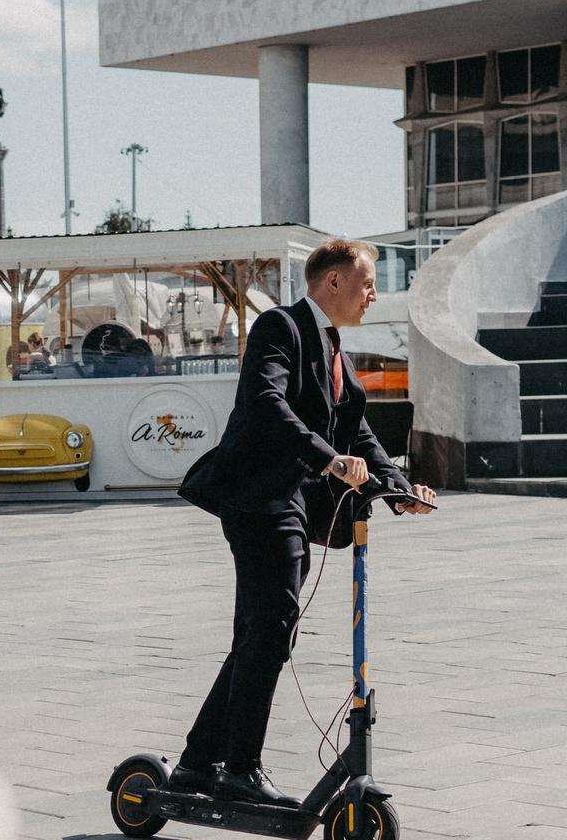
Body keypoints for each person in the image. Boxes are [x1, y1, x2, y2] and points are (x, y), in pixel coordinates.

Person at [172, 239, 435, 806]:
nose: (373, 295)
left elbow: (358, 432)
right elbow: (268, 402)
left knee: (262, 633)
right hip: (258, 496)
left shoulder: (335, 349)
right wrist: (328, 459)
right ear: (333, 281)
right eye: (367, 284)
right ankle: (239, 768)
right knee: (271, 629)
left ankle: (197, 763)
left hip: (289, 502)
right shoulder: (281, 327)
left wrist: (399, 489)